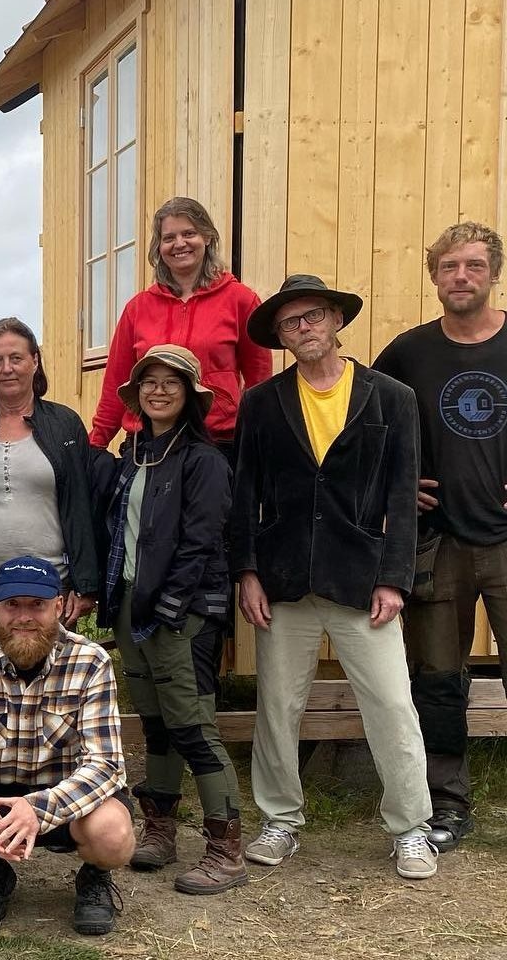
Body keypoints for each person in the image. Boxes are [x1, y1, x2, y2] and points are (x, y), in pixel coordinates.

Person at [230, 275, 436, 879]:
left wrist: (394, 577)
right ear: (282, 336)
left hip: (362, 579)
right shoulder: (262, 404)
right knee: (277, 706)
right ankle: (280, 819)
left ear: (336, 321)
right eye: (292, 322)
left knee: (393, 705)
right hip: (284, 578)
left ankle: (411, 827)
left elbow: (402, 494)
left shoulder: (390, 397)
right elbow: (244, 495)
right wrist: (247, 571)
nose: (305, 328)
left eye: (315, 315)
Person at [374, 221, 507, 852]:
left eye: (474, 266)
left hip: (506, 544)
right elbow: (366, 426)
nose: (461, 277)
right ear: (434, 277)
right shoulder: (409, 353)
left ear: (494, 273)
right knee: (438, 680)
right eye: (449, 266)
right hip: (438, 544)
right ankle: (447, 806)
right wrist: (399, 486)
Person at [0, 555, 133, 936]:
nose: (24, 617)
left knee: (114, 833)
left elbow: (106, 764)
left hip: (69, 800)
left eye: (37, 605)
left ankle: (95, 877)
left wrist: (37, 810)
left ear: (60, 606)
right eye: (12, 605)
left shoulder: (91, 661)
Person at [96, 345, 244, 894]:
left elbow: (203, 542)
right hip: (132, 601)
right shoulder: (136, 454)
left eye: (172, 383)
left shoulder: (204, 461)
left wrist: (169, 606)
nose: (159, 391)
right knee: (156, 723)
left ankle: (226, 848)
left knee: (192, 726)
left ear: (189, 395)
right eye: (149, 382)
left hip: (181, 610)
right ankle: (159, 828)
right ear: (136, 395)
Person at [0, 317, 102, 644]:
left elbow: (85, 508)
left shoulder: (66, 426)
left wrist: (85, 583)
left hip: (51, 591)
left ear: (35, 361)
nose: (6, 368)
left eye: (16, 358)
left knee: (53, 692)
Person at [89, 197, 271, 455]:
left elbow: (259, 382)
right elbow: (116, 384)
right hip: (148, 445)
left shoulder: (241, 300)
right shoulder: (138, 308)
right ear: (159, 246)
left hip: (218, 445)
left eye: (189, 233)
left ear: (207, 237)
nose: (180, 244)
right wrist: (94, 445)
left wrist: (258, 445)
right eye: (169, 237)